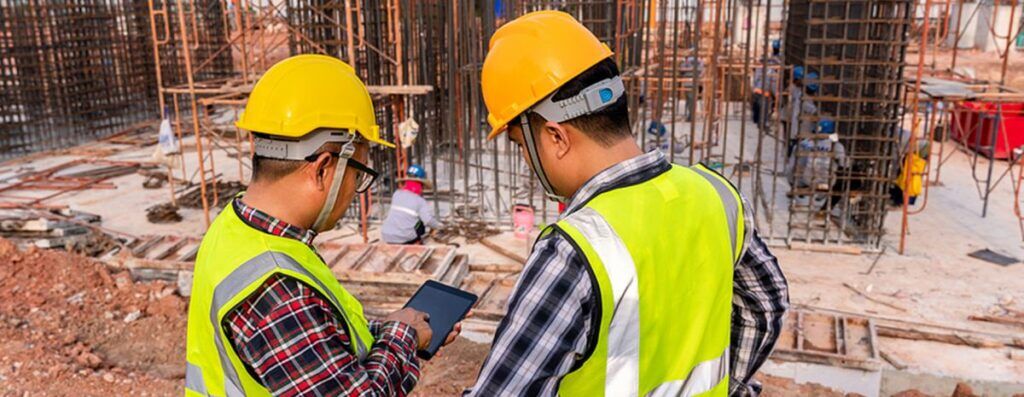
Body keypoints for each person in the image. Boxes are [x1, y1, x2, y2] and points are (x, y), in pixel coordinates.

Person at [467, 11, 789, 396]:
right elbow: (766, 304)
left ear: (556, 137)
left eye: (522, 145)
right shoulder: (716, 195)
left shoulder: (575, 249)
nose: (526, 160)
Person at [184, 54, 457, 397]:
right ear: (323, 168)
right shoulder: (276, 288)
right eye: (359, 175)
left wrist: (391, 330)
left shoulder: (237, 226)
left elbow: (314, 339)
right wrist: (404, 338)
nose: (356, 193)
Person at [382, 164, 443, 244]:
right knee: (421, 223)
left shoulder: (396, 194)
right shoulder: (420, 201)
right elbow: (428, 221)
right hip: (404, 238)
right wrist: (439, 226)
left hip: (386, 235)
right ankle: (416, 242)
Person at [751, 39, 782, 128]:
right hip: (764, 93)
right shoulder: (772, 70)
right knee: (764, 109)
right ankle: (762, 124)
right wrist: (776, 95)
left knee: (757, 107)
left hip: (757, 91)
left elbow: (755, 79)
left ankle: (756, 119)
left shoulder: (760, 68)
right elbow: (772, 83)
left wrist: (754, 88)